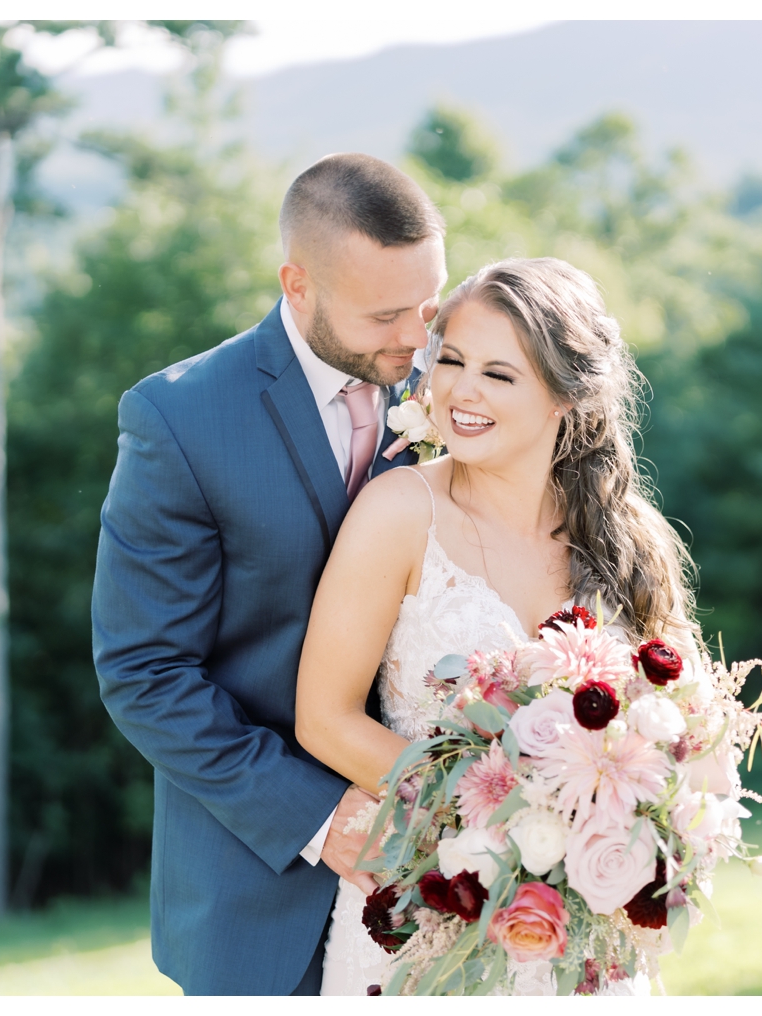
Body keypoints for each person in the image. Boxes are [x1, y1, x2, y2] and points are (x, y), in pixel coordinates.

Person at [91, 153, 448, 995]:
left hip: (455, 876)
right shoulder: (177, 420)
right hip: (256, 895)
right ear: (297, 284)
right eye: (387, 313)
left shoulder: (458, 389)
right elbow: (143, 674)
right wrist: (323, 819)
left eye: (430, 303)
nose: (416, 337)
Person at [295, 257, 700, 995]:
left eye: (500, 374)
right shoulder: (398, 513)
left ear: (565, 397)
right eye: (449, 360)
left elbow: (679, 727)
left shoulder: (627, 533)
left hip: (580, 923)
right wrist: (496, 815)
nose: (462, 391)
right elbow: (323, 719)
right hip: (428, 905)